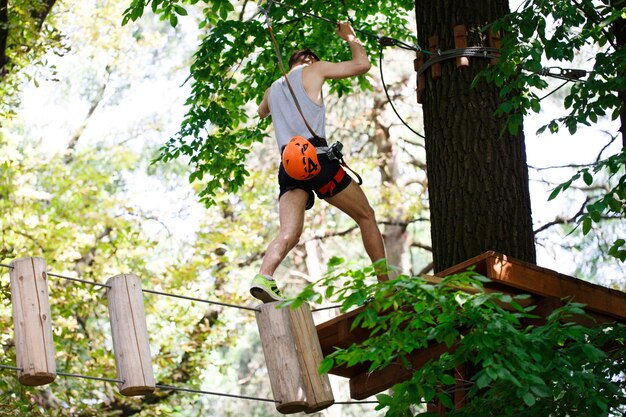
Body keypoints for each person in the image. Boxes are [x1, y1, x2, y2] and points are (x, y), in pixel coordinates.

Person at [250, 21, 388, 303]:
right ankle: (386, 285)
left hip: (289, 166)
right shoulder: (314, 69)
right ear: (309, 60)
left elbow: (261, 111)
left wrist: (276, 96)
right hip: (315, 157)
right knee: (366, 216)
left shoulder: (272, 90)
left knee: (289, 232)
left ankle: (264, 275)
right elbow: (362, 65)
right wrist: (349, 36)